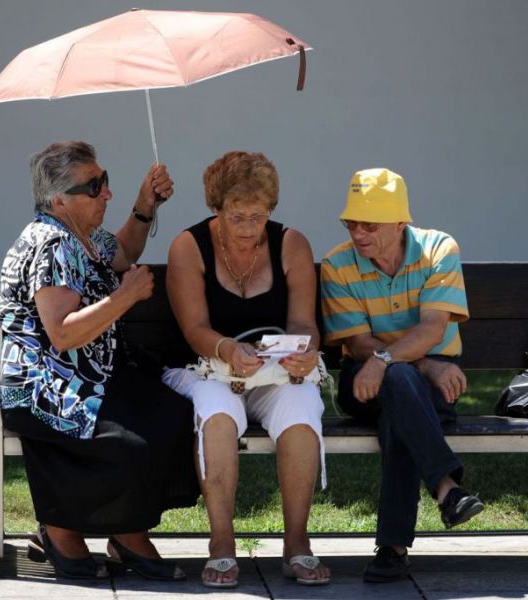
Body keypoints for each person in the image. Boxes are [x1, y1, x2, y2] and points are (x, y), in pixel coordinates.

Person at [0, 141, 198, 581]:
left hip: (90, 374)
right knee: (130, 442)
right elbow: (63, 333)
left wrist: (145, 205)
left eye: (104, 181)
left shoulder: (82, 236)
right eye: (94, 186)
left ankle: (119, 530)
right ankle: (90, 531)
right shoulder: (52, 245)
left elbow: (123, 252)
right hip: (47, 385)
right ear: (58, 200)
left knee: (172, 414)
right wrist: (123, 298)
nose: (106, 192)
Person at [164, 151, 330, 588]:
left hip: (273, 370)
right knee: (218, 412)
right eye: (238, 216)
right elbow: (195, 328)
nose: (249, 227)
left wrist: (305, 351)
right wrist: (227, 349)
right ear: (216, 208)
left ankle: (297, 541)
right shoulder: (189, 246)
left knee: (300, 406)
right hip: (206, 366)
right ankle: (221, 541)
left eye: (260, 216)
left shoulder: (291, 243)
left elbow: (304, 324)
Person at [320, 167, 484, 583]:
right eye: (351, 222)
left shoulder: (438, 248)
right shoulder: (338, 265)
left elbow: (433, 328)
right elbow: (357, 343)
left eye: (369, 224)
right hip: (364, 384)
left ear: (399, 222)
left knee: (401, 402)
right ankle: (447, 488)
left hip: (422, 387)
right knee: (400, 383)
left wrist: (390, 361)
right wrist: (417, 362)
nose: (358, 233)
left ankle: (393, 549)